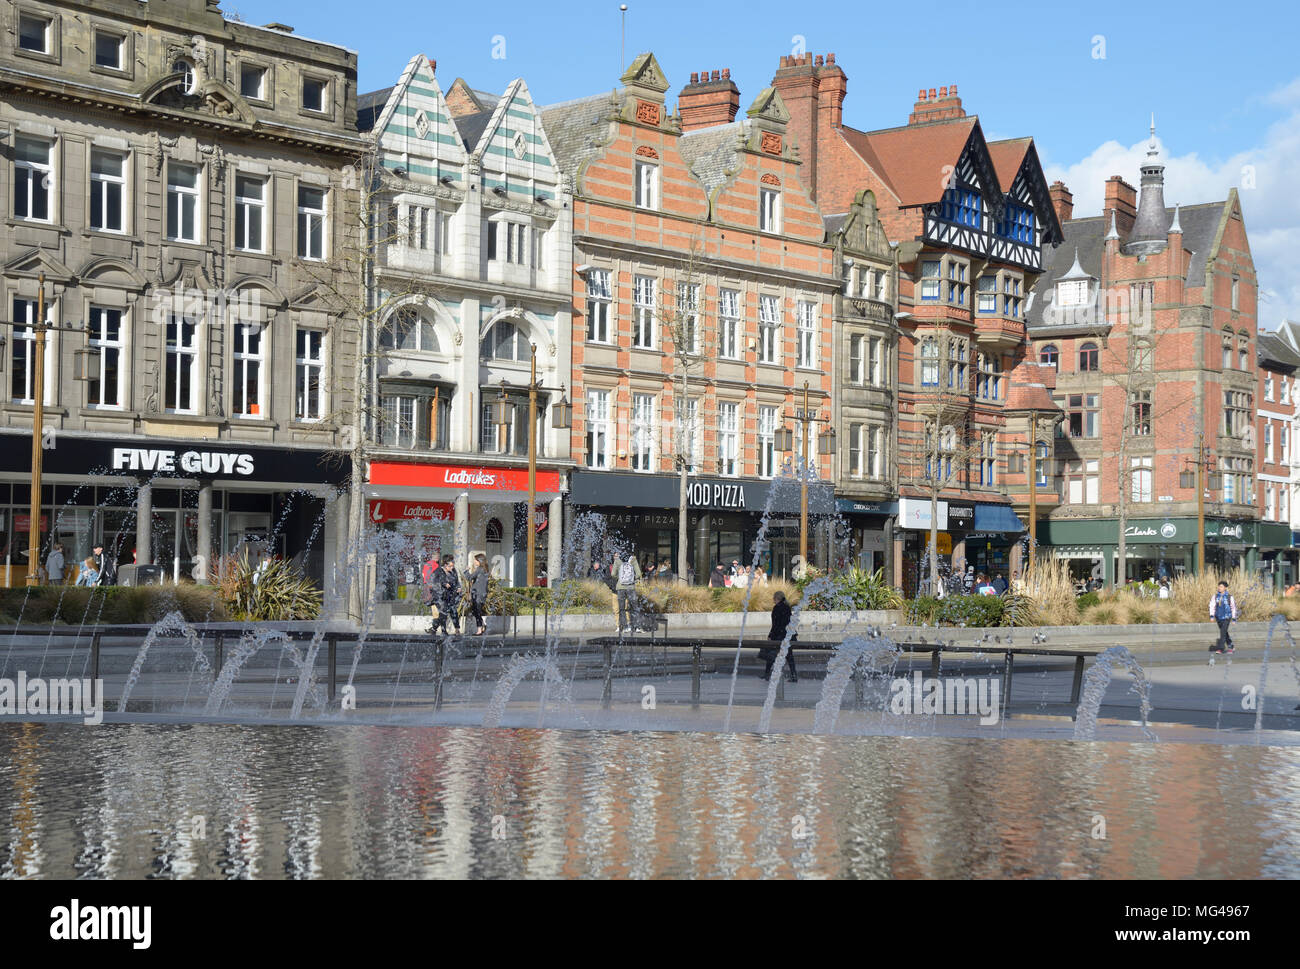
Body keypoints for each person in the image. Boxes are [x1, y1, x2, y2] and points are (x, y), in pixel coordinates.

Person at [760, 590, 798, 682]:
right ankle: (794, 676)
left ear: (777, 598)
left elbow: (776, 624)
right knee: (789, 656)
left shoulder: (777, 608)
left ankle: (767, 674)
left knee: (770, 655)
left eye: (774, 598)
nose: (773, 600)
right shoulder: (787, 607)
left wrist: (770, 635)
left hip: (779, 636)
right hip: (788, 635)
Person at [612, 551, 642, 634]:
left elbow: (613, 574)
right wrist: (632, 579)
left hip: (620, 587)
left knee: (622, 608)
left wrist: (620, 578)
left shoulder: (617, 560)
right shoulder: (633, 560)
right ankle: (637, 627)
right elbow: (639, 574)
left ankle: (625, 627)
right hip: (631, 587)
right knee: (635, 607)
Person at [1209, 580, 1239, 654]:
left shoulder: (1229, 597)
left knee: (1222, 632)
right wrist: (1212, 615)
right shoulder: (1215, 596)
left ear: (1225, 588)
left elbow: (1233, 607)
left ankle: (1221, 648)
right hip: (1218, 617)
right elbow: (1212, 605)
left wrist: (1234, 618)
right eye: (1219, 586)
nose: (1219, 588)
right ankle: (1231, 645)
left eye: (1221, 586)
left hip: (1227, 617)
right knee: (1224, 632)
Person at [435, 554, 462, 636]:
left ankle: (457, 629)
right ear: (445, 565)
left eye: (453, 566)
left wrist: (458, 588)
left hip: (451, 595)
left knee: (454, 611)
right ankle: (443, 630)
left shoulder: (453, 571)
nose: (452, 568)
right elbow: (434, 581)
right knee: (443, 612)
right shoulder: (439, 571)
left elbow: (457, 581)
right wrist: (443, 583)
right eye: (450, 566)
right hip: (441, 596)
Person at [468, 553, 490, 635]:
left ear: (479, 561)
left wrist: (466, 571)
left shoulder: (480, 569)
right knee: (476, 611)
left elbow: (470, 578)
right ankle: (482, 626)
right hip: (482, 594)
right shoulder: (485, 569)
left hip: (477, 594)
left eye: (475, 560)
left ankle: (479, 630)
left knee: (476, 611)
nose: (474, 561)